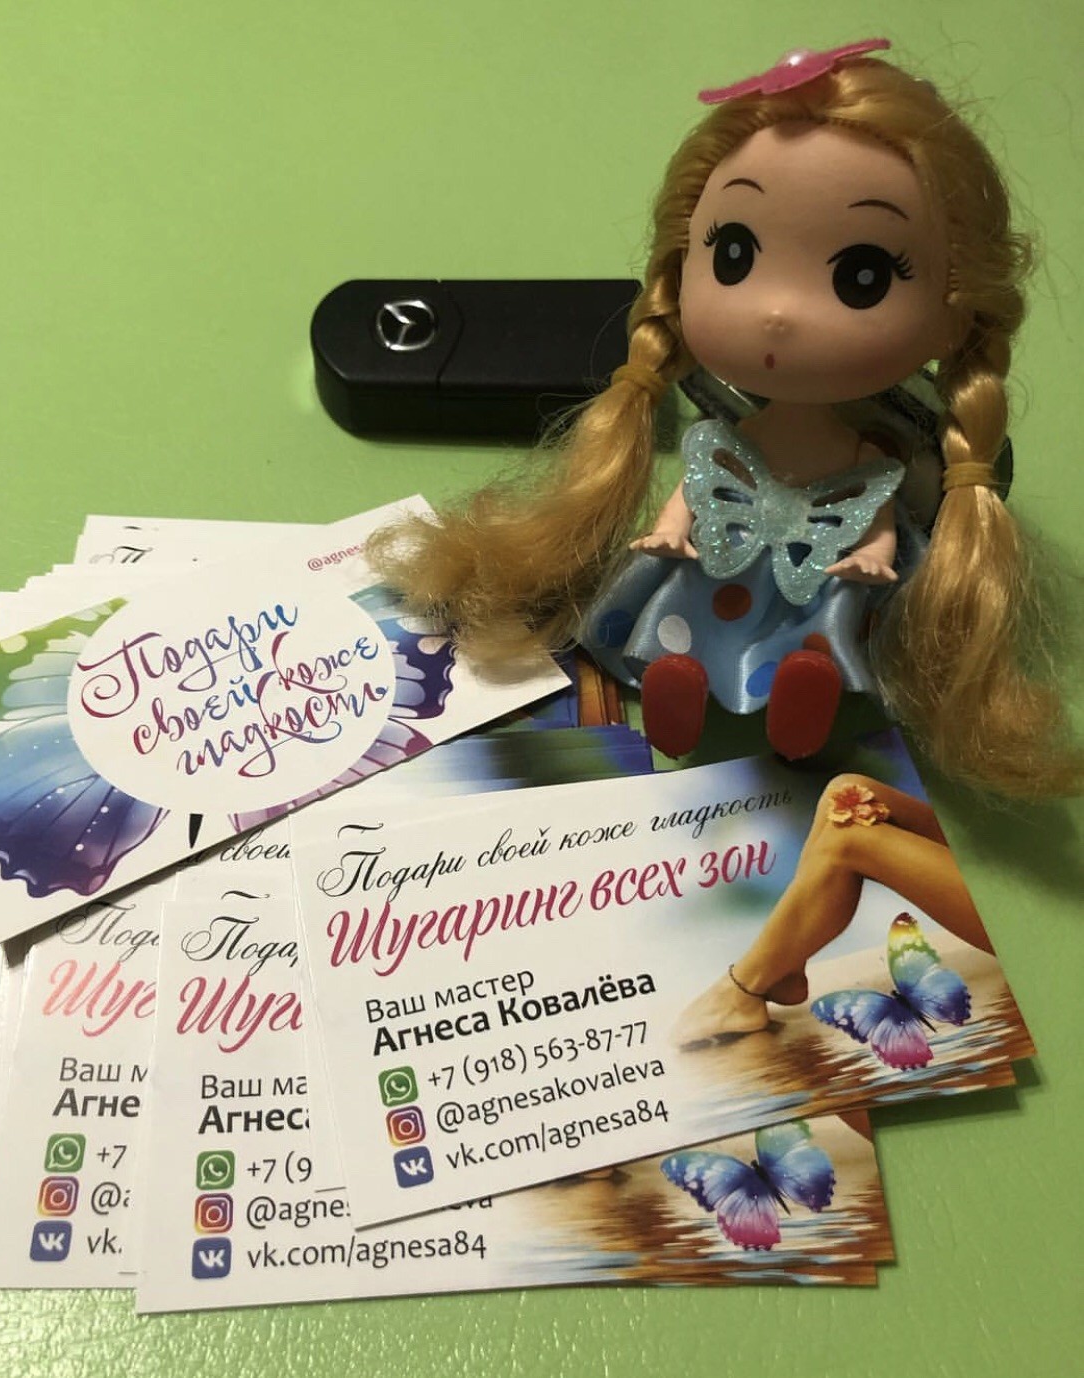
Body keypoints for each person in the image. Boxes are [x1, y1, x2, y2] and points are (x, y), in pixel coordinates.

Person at [368, 41, 1080, 798]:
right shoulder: (728, 433)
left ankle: (802, 702)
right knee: (683, 612)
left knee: (822, 628)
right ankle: (676, 684)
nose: (776, 314)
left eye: (861, 277)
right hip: (724, 547)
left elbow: (869, 506)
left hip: (822, 562)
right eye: (733, 255)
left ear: (954, 315)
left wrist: (874, 552)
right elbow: (702, 483)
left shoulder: (876, 450)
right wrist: (670, 530)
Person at [669, 772, 992, 1044]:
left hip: (1024, 917)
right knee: (846, 792)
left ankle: (740, 991)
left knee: (848, 840)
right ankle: (786, 969)